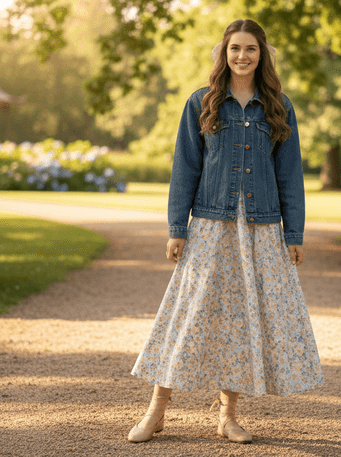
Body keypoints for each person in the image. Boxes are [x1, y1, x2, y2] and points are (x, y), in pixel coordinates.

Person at [128, 18, 324, 444]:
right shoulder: (202, 102)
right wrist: (177, 227)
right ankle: (157, 409)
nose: (242, 56)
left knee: (241, 320)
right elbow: (185, 169)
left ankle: (228, 416)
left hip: (260, 228)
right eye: (235, 48)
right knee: (186, 315)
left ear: (262, 54)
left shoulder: (277, 107)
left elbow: (290, 174)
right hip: (210, 227)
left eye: (250, 49)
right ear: (224, 52)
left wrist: (294, 235)